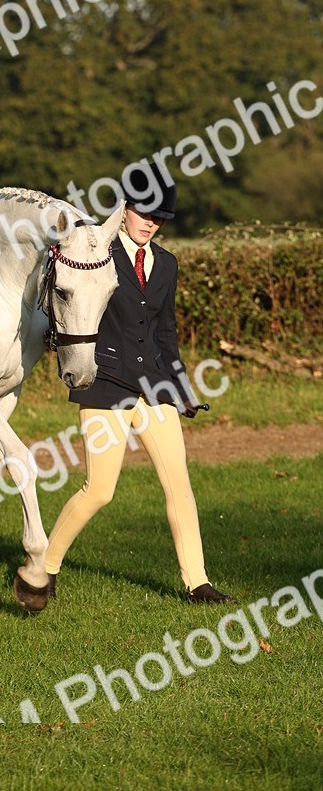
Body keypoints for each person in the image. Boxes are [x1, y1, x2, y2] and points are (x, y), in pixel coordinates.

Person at [44, 163, 235, 604]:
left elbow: (164, 331)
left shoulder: (166, 264)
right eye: (145, 213)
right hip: (106, 384)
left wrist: (182, 386)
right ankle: (44, 566)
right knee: (100, 491)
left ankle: (197, 582)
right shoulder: (97, 254)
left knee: (179, 485)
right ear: (124, 209)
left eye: (160, 217)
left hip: (156, 387)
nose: (151, 223)